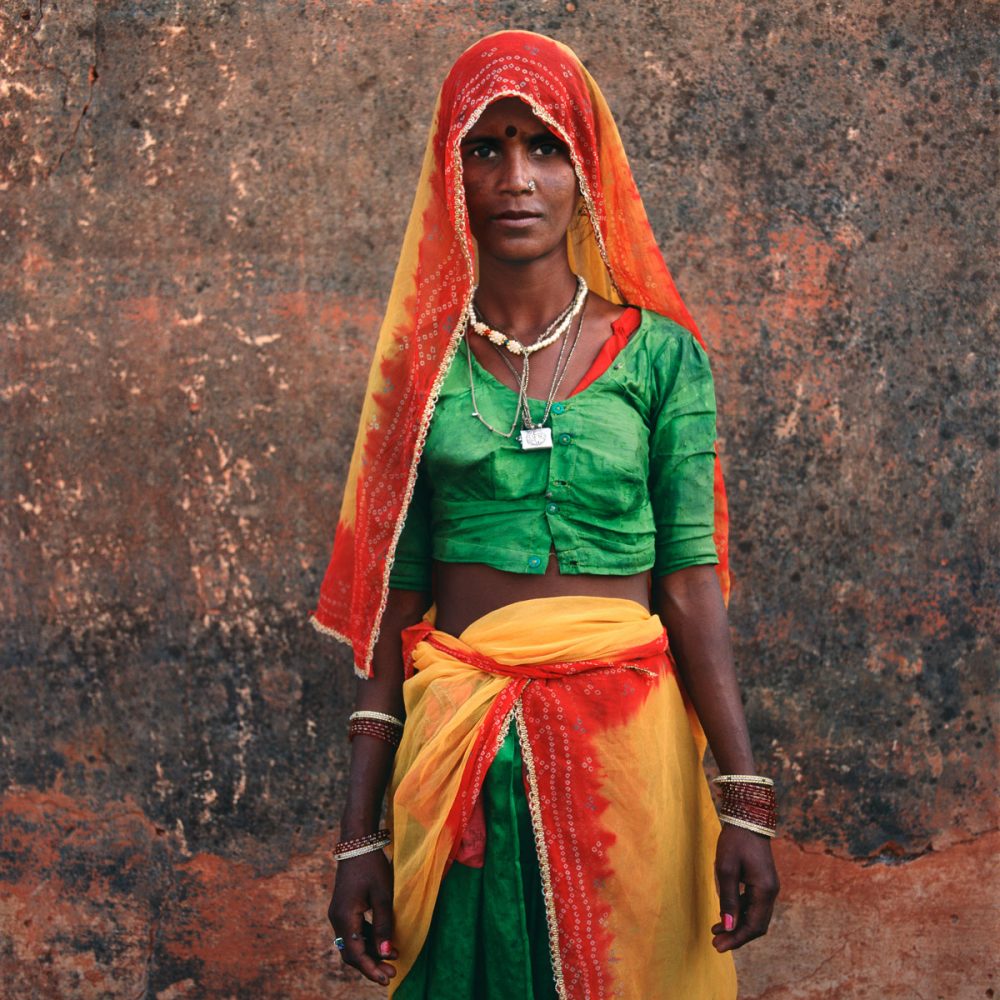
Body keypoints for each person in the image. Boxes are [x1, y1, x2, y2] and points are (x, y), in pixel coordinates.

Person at [312, 30, 779, 999]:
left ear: (585, 169)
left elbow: (691, 585)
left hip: (631, 762)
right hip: (459, 759)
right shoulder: (422, 378)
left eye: (545, 146)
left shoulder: (660, 360)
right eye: (486, 148)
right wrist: (358, 833)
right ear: (451, 170)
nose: (515, 178)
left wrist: (742, 797)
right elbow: (391, 612)